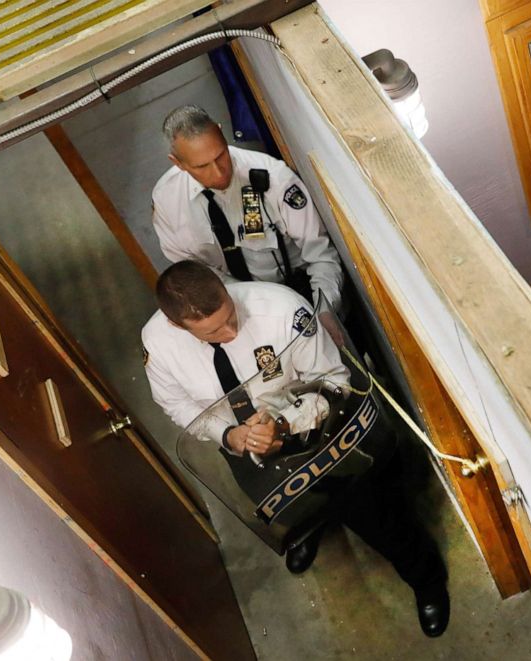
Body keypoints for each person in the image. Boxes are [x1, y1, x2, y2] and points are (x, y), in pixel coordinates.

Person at [141, 260, 450, 637]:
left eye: (230, 315)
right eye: (213, 331)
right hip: (243, 445)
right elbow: (176, 404)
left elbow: (334, 381)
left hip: (316, 427)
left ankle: (426, 577)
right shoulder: (157, 341)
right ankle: (309, 525)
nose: (231, 330)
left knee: (375, 515)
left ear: (222, 286)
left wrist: (285, 423)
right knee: (290, 510)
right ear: (177, 325)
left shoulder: (283, 309)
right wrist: (229, 435)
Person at [151, 104, 344, 314]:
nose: (218, 172)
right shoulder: (167, 201)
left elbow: (321, 255)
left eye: (221, 155)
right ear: (177, 163)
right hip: (237, 309)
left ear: (221, 132)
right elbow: (193, 276)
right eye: (202, 166)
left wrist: (324, 311)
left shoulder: (274, 178)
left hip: (301, 292)